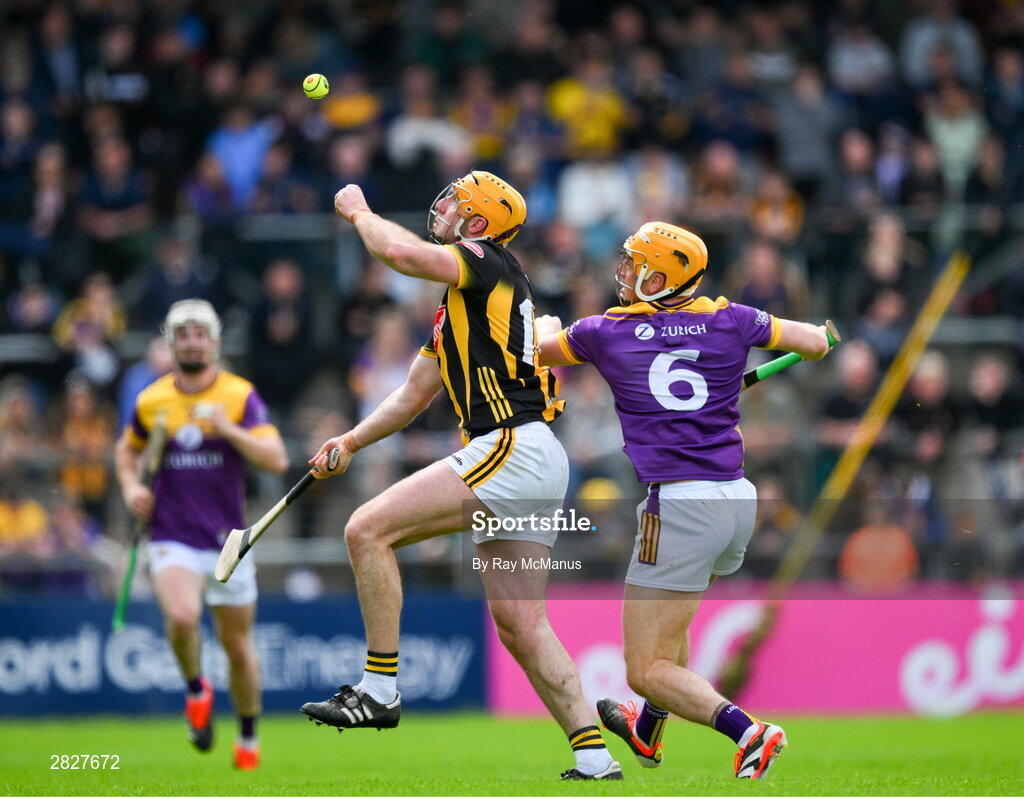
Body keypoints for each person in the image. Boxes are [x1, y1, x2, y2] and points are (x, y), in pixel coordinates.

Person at [300, 171, 621, 780]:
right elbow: (414, 395)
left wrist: (358, 211)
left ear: (477, 225)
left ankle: (379, 690)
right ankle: (595, 757)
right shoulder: (461, 309)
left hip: (509, 447)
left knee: (366, 531)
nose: (441, 207)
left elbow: (397, 253)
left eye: (455, 203)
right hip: (531, 455)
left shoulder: (484, 259)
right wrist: (350, 440)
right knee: (522, 625)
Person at [534, 222, 832, 779]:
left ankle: (751, 733)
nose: (624, 273)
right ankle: (647, 731)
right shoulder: (733, 317)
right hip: (737, 501)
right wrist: (816, 334)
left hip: (678, 506)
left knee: (646, 668)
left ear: (659, 276)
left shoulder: (606, 331)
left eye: (634, 265)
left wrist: (549, 323)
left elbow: (534, 353)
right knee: (672, 632)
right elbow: (815, 344)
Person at [114, 299, 288, 771]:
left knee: (237, 648)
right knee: (183, 616)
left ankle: (248, 738)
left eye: (199, 333)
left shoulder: (239, 395)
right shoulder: (152, 401)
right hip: (172, 536)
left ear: (214, 342)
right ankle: (195, 687)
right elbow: (126, 453)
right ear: (170, 344)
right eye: (182, 334)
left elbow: (275, 458)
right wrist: (131, 489)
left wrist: (229, 429)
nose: (191, 341)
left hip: (228, 544)